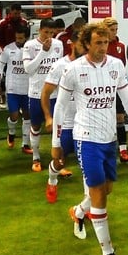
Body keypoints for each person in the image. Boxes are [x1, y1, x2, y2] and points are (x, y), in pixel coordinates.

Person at [53, 23, 128, 255]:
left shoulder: (116, 65)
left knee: (105, 191)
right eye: (98, 42)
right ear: (86, 43)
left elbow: (127, 98)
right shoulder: (73, 70)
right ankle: (108, 254)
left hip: (109, 140)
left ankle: (78, 211)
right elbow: (60, 108)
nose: (102, 47)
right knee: (98, 195)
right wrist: (56, 143)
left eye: (105, 42)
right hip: (86, 138)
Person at [40, 28, 82, 204]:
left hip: (83, 125)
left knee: (87, 164)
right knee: (59, 162)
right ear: (72, 43)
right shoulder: (60, 66)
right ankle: (52, 181)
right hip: (64, 124)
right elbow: (45, 93)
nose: (86, 47)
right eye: (82, 43)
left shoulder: (91, 66)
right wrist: (49, 117)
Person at [23, 19, 64, 172]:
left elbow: (60, 67)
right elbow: (28, 69)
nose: (48, 36)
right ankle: (36, 157)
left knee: (57, 127)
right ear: (39, 30)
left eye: (51, 33)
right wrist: (43, 52)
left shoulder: (58, 45)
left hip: (55, 94)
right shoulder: (30, 46)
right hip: (36, 93)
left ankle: (58, 161)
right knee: (35, 125)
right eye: (46, 32)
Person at [0, 24, 31, 151]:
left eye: (21, 38)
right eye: (17, 38)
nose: (18, 41)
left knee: (28, 116)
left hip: (28, 89)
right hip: (13, 89)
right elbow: (0, 67)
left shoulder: (32, 49)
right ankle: (11, 133)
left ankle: (25, 144)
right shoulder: (8, 49)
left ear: (26, 37)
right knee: (14, 115)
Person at [104, 17, 128, 164]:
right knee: (106, 120)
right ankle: (107, 151)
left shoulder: (121, 46)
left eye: (116, 29)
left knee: (120, 118)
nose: (114, 32)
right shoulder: (100, 45)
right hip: (103, 90)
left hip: (117, 88)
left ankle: (123, 151)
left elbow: (122, 67)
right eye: (111, 30)